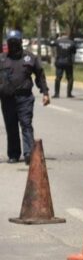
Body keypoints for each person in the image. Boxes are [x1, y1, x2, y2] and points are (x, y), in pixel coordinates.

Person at [0, 30, 50, 164]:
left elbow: (40, 75)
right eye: (10, 42)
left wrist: (45, 92)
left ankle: (29, 153)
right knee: (11, 127)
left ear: (20, 42)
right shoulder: (2, 59)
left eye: (15, 42)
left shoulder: (30, 58)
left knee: (26, 124)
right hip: (7, 99)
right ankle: (13, 154)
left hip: (25, 98)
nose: (13, 45)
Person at [53, 32, 76, 98]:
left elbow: (51, 44)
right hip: (68, 62)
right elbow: (74, 52)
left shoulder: (58, 41)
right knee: (70, 78)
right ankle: (69, 94)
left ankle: (56, 94)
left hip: (59, 62)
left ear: (61, 35)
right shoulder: (71, 43)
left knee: (58, 78)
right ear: (67, 35)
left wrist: (56, 38)